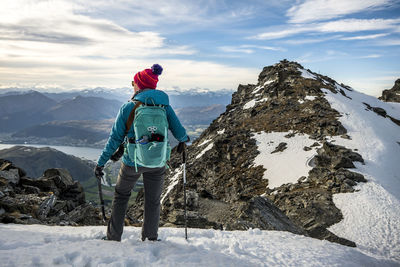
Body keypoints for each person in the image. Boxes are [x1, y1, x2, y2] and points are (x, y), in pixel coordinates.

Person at [94, 64, 189, 242]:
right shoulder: (164, 106)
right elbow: (180, 133)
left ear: (139, 85)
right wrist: (184, 140)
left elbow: (114, 139)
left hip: (132, 162)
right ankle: (150, 238)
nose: (133, 86)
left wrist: (101, 163)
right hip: (158, 161)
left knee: (121, 196)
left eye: (134, 83)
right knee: (153, 201)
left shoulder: (128, 107)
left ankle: (113, 237)